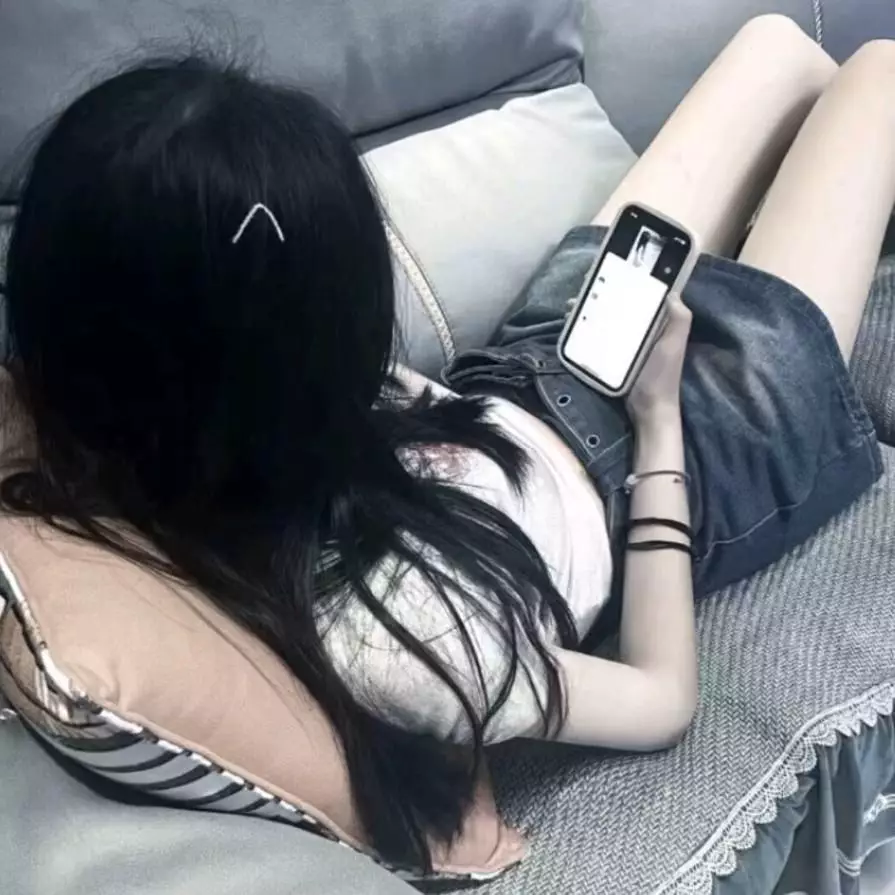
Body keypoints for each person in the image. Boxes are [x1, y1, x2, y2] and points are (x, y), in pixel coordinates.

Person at [0, 14, 893, 871]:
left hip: (536, 360)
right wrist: (657, 418)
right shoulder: (399, 636)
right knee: (882, 77)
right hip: (689, 451)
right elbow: (661, 700)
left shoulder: (131, 428)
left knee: (778, 48)